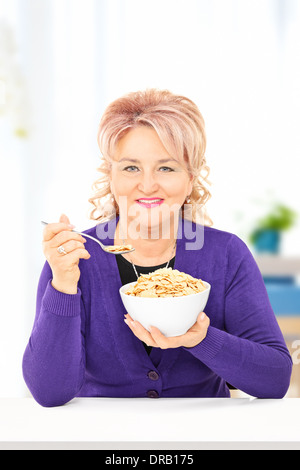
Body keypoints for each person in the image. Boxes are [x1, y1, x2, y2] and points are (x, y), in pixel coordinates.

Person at [22, 89, 292, 407]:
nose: (148, 185)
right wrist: (64, 286)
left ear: (191, 178)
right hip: (101, 436)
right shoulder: (75, 258)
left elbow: (275, 379)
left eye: (166, 168)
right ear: (110, 176)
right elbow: (49, 393)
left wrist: (202, 338)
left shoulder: (226, 254)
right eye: (131, 168)